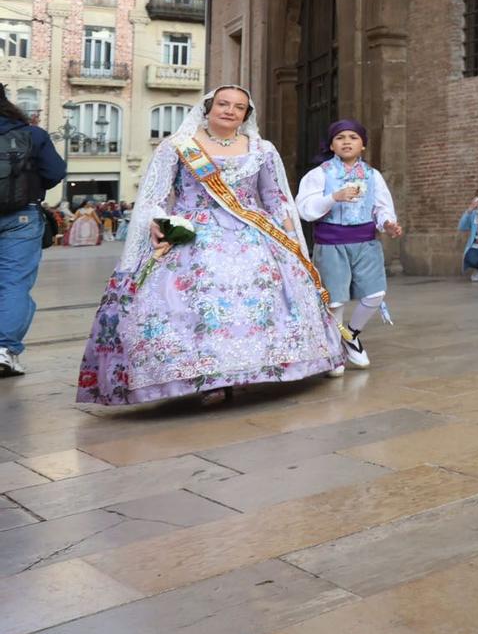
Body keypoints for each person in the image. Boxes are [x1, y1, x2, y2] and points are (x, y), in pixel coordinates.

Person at [77, 86, 344, 407]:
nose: (230, 111)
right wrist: (156, 221)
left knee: (265, 298)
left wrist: (291, 243)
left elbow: (276, 199)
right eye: (223, 104)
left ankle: (261, 367)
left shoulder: (262, 149)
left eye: (239, 107)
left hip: (254, 235)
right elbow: (153, 197)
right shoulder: (177, 147)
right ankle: (205, 377)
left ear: (247, 114)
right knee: (193, 302)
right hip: (192, 236)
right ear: (208, 108)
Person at [296, 120, 404, 369]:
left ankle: (351, 335)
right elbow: (304, 208)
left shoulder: (372, 175)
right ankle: (334, 352)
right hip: (331, 244)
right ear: (332, 145)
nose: (347, 141)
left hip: (366, 244)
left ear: (363, 145)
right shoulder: (319, 174)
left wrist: (388, 223)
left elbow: (381, 207)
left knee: (375, 294)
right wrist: (333, 197)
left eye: (353, 137)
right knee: (335, 301)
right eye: (340, 137)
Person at [0, 84, 66, 377]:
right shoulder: (32, 134)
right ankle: (3, 350)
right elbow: (55, 172)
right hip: (20, 219)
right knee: (14, 284)